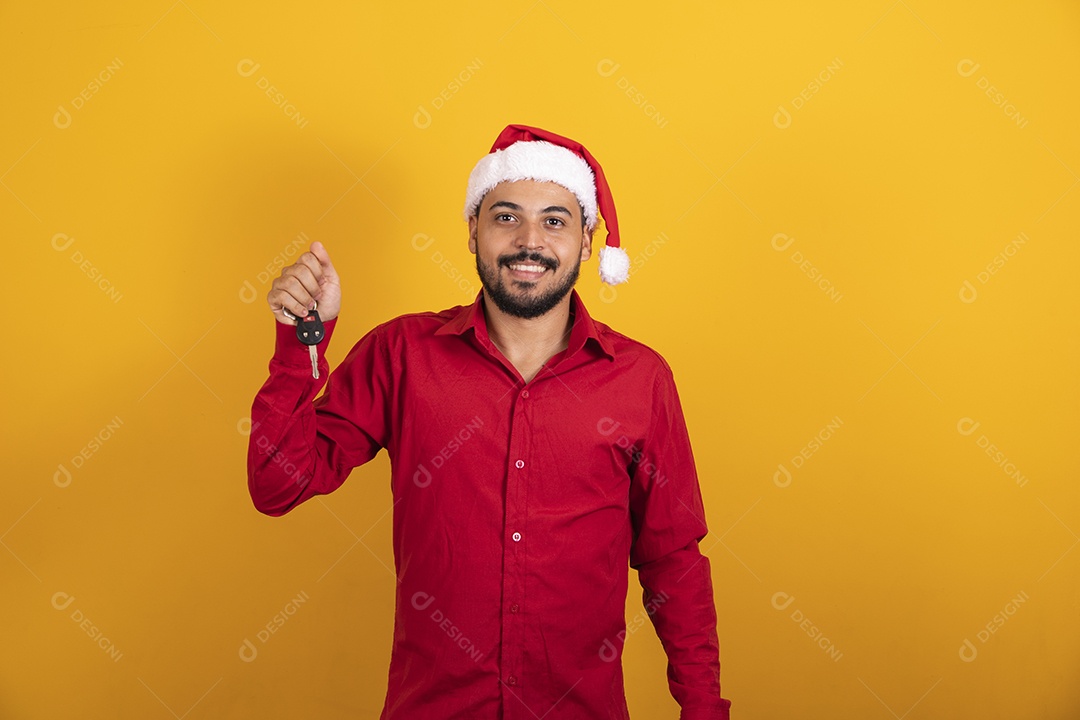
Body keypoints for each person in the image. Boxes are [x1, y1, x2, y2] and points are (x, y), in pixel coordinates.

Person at [248, 124, 732, 719]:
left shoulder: (640, 378)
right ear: (473, 231)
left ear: (586, 243)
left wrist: (703, 709)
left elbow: (674, 561)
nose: (530, 241)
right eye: (506, 217)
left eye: (554, 221)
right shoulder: (402, 354)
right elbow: (278, 485)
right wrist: (301, 343)